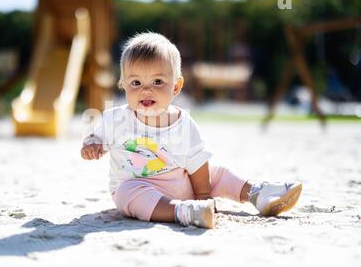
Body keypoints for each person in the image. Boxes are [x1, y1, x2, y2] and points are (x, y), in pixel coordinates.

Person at [81, 32, 302, 229]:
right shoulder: (116, 119)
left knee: (217, 173)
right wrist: (91, 145)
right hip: (140, 188)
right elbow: (95, 137)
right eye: (136, 83)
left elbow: (197, 163)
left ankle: (258, 193)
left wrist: (203, 196)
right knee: (127, 193)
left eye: (157, 81)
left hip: (183, 182)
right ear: (123, 85)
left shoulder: (183, 123)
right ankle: (184, 212)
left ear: (176, 87)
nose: (146, 90)